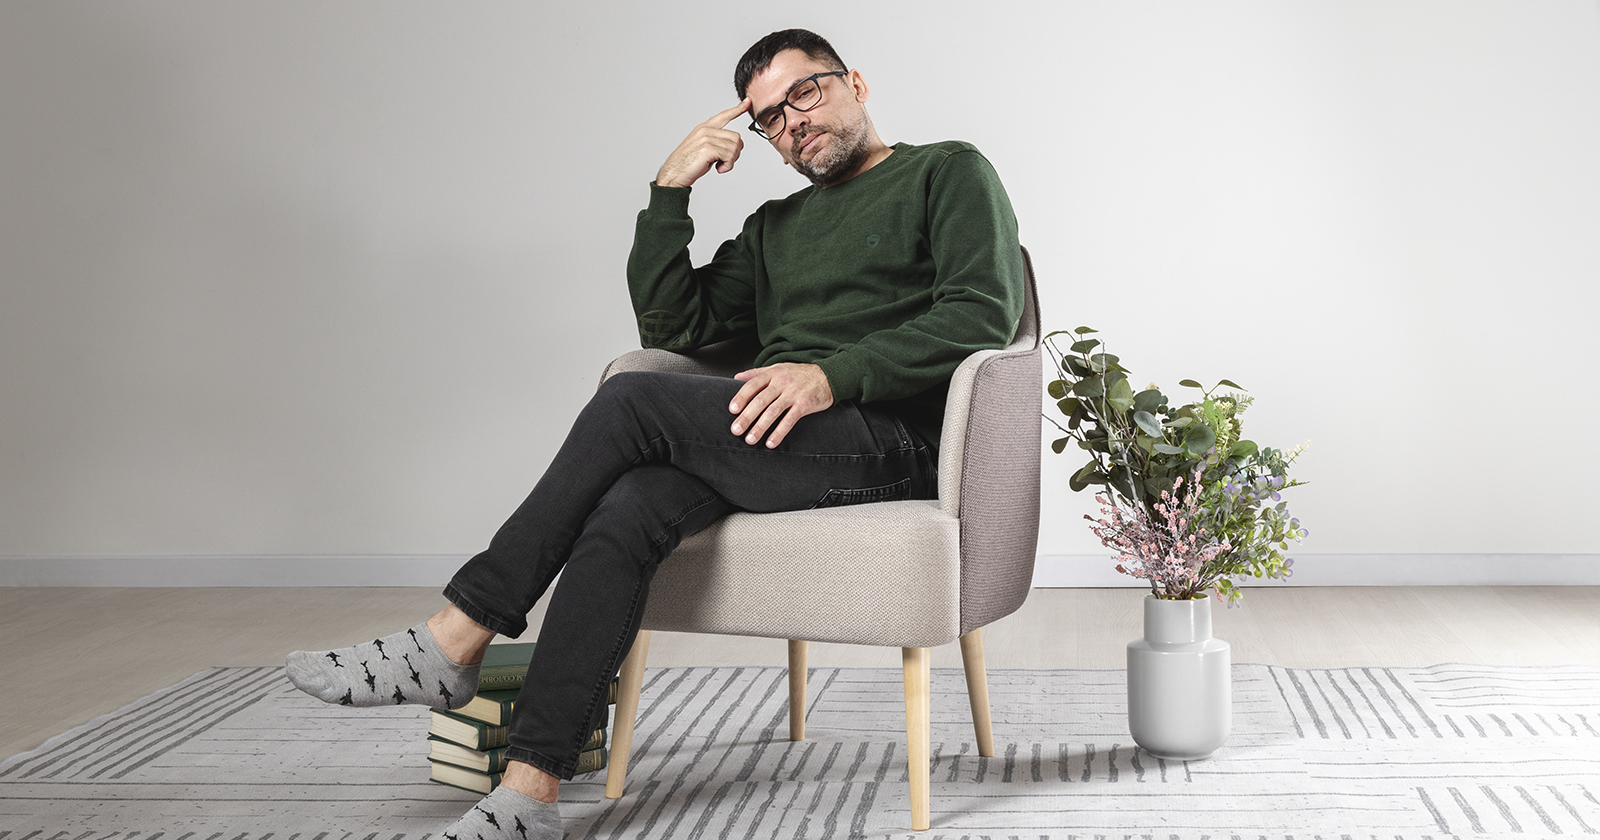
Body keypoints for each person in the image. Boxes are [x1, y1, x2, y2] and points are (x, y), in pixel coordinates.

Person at [284, 28, 1023, 839]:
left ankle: (458, 635)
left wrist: (829, 376)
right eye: (769, 118)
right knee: (627, 508)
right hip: (777, 438)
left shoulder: (947, 170)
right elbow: (675, 328)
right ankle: (529, 794)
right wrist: (670, 191)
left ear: (855, 82)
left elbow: (981, 313)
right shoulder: (776, 228)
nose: (792, 122)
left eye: (804, 93)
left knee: (631, 402)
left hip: (895, 439)